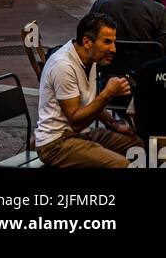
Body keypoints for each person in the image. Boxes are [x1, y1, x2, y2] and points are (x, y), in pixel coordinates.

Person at [35, 11, 139, 167]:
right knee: (121, 165)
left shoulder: (91, 58)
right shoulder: (63, 66)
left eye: (113, 42)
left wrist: (113, 123)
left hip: (80, 135)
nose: (113, 49)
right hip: (56, 143)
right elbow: (76, 122)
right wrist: (107, 94)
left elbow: (89, 104)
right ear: (87, 41)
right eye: (107, 42)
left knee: (138, 146)